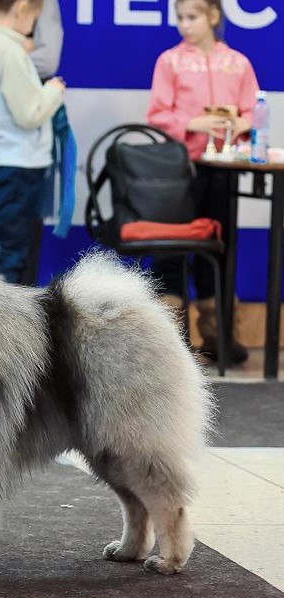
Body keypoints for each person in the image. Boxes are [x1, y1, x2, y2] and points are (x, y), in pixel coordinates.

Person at [147, 0, 258, 364]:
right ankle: (169, 340)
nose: (184, 25)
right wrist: (191, 124)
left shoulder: (238, 62)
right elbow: (157, 113)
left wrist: (242, 124)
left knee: (219, 248)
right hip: (179, 170)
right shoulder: (169, 61)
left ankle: (219, 333)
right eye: (180, 18)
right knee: (171, 252)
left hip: (222, 169)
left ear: (213, 16)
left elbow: (252, 109)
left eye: (192, 17)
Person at [0, 0, 65, 284]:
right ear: (22, 8)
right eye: (35, 18)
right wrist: (53, 91)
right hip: (20, 164)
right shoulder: (9, 52)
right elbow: (28, 114)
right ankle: (3, 326)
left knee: (1, 247)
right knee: (10, 255)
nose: (33, 27)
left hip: (2, 160)